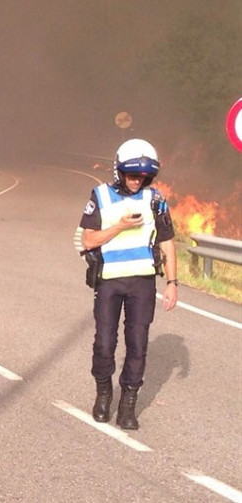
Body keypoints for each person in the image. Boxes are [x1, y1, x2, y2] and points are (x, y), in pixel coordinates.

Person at [79, 138, 178, 430]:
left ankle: (128, 404)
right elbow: (88, 240)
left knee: (138, 345)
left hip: (143, 284)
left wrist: (172, 282)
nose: (138, 180)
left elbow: (167, 241)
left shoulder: (156, 200)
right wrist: (120, 226)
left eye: (144, 176)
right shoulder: (100, 196)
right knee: (104, 342)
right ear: (119, 171)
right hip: (109, 281)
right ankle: (104, 392)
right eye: (133, 175)